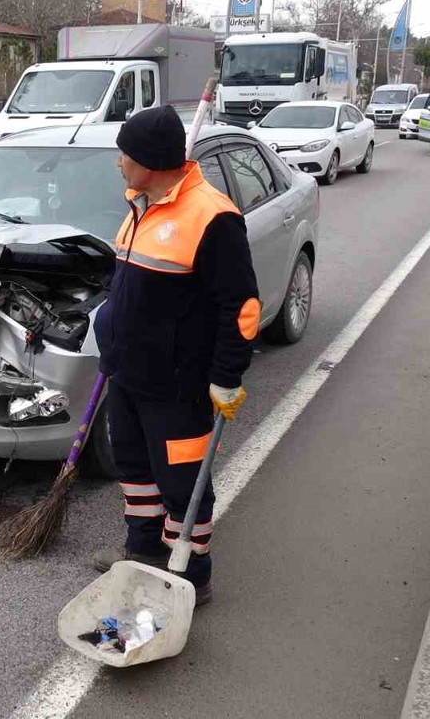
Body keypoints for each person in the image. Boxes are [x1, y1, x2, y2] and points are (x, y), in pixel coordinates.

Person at [91, 106, 261, 606]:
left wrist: (227, 376)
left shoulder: (213, 217)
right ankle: (141, 551)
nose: (119, 161)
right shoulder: (141, 203)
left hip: (178, 382)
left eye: (125, 153)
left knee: (183, 482)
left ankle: (190, 572)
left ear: (149, 160)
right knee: (135, 469)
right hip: (127, 372)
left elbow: (241, 306)